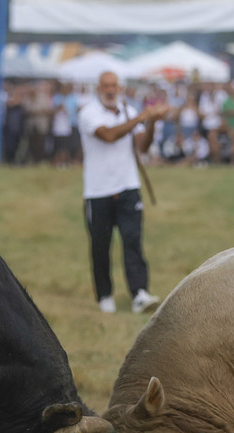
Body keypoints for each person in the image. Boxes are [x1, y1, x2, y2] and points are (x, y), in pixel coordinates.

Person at [77, 71, 168, 314]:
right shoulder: (89, 113)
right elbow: (108, 135)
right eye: (106, 85)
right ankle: (105, 294)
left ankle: (139, 292)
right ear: (98, 88)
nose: (110, 90)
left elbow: (143, 146)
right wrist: (142, 117)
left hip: (128, 185)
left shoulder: (129, 111)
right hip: (98, 190)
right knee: (100, 245)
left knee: (132, 240)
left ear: (120, 88)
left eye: (114, 85)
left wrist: (151, 123)